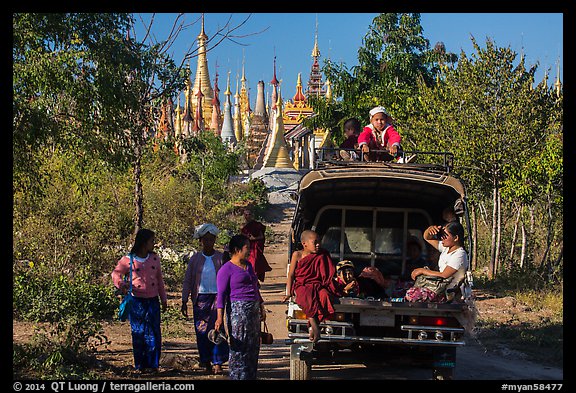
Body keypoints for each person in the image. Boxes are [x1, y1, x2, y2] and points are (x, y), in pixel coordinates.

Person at [111, 228, 168, 373]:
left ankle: (153, 364)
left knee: (154, 332)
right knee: (138, 332)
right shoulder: (127, 260)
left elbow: (159, 280)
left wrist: (164, 299)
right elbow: (116, 274)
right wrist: (122, 284)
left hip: (153, 300)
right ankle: (140, 365)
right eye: (151, 241)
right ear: (144, 243)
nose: (153, 244)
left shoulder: (155, 258)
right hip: (136, 301)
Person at [215, 234, 266, 380]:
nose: (249, 251)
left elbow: (255, 287)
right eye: (247, 248)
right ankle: (238, 376)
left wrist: (261, 306)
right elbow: (221, 295)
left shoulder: (248, 266)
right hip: (238, 312)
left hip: (253, 312)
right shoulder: (226, 269)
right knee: (240, 347)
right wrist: (219, 318)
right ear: (237, 250)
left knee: (253, 347)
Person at [181, 223, 229, 375]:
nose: (208, 242)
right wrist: (184, 299)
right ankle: (206, 360)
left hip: (217, 298)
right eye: (205, 240)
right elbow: (188, 280)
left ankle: (218, 362)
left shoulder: (220, 258)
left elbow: (228, 277)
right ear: (200, 241)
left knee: (217, 328)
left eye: (211, 239)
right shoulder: (195, 259)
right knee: (202, 330)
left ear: (214, 240)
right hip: (200, 298)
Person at [282, 230, 339, 343]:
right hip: (302, 285)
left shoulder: (323, 255)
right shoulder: (297, 255)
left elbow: (327, 274)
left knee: (324, 295)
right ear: (304, 244)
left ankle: (314, 327)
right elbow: (291, 274)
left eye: (319, 242)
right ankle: (314, 324)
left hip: (318, 285)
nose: (318, 245)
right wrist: (288, 293)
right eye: (315, 242)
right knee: (305, 298)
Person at [410, 221, 469, 297]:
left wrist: (422, 271)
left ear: (456, 238)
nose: (442, 238)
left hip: (448, 293)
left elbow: (444, 275)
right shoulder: (446, 248)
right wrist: (429, 230)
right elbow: (427, 238)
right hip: (440, 288)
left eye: (445, 236)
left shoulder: (459, 254)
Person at [240, 207, 272, 283]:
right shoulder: (243, 226)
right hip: (247, 248)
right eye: (246, 214)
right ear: (244, 215)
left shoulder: (257, 225)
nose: (248, 216)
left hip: (255, 248)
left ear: (252, 215)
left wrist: (254, 238)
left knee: (254, 263)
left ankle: (255, 280)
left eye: (249, 214)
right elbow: (242, 237)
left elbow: (261, 236)